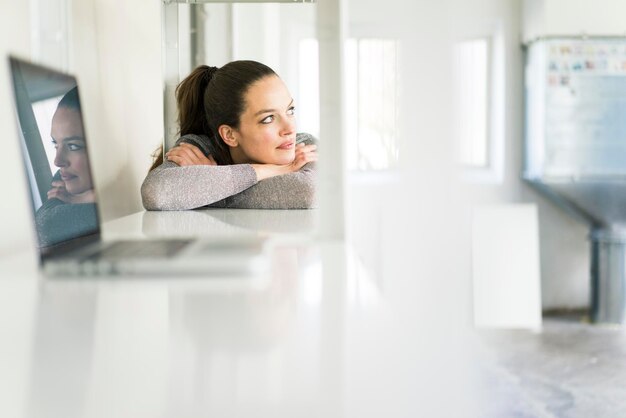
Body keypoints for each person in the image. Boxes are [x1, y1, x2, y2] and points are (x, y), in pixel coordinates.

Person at [141, 60, 318, 211]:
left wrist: (207, 188)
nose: (289, 128)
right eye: (268, 118)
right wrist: (277, 170)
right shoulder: (200, 149)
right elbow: (156, 193)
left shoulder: (304, 146)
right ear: (229, 135)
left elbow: (309, 191)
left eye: (290, 110)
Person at [35, 87, 98, 247]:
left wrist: (78, 199)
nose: (57, 161)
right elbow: (45, 225)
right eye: (56, 144)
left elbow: (46, 226)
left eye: (74, 146)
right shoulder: (61, 179)